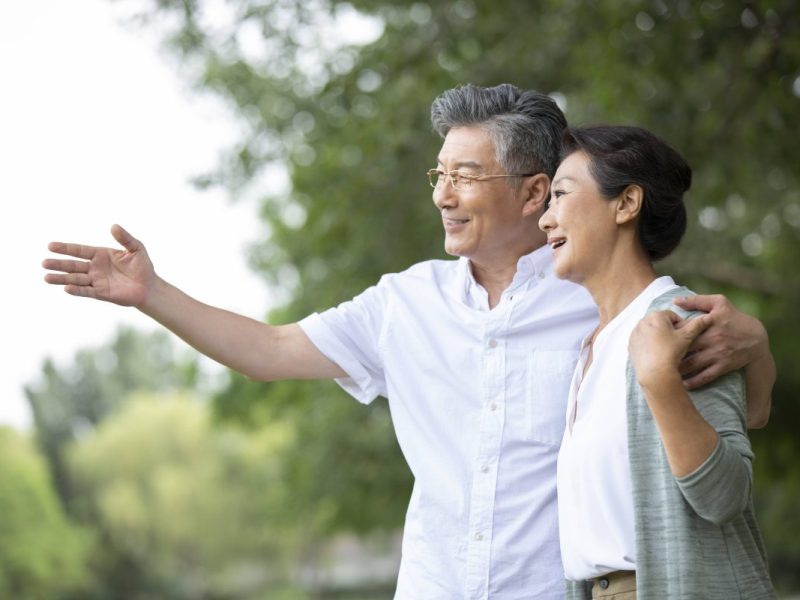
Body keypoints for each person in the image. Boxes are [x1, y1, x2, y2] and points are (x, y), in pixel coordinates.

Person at [43, 84, 774, 599]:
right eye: (438, 173)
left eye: (464, 175)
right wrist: (154, 294)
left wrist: (755, 343)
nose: (441, 195)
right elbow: (267, 351)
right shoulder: (405, 302)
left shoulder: (600, 300)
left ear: (533, 191)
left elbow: (718, 416)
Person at [539, 125, 775, 599]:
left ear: (626, 203)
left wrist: (658, 378)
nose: (545, 220)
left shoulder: (680, 324)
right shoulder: (594, 346)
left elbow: (724, 495)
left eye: (560, 195)